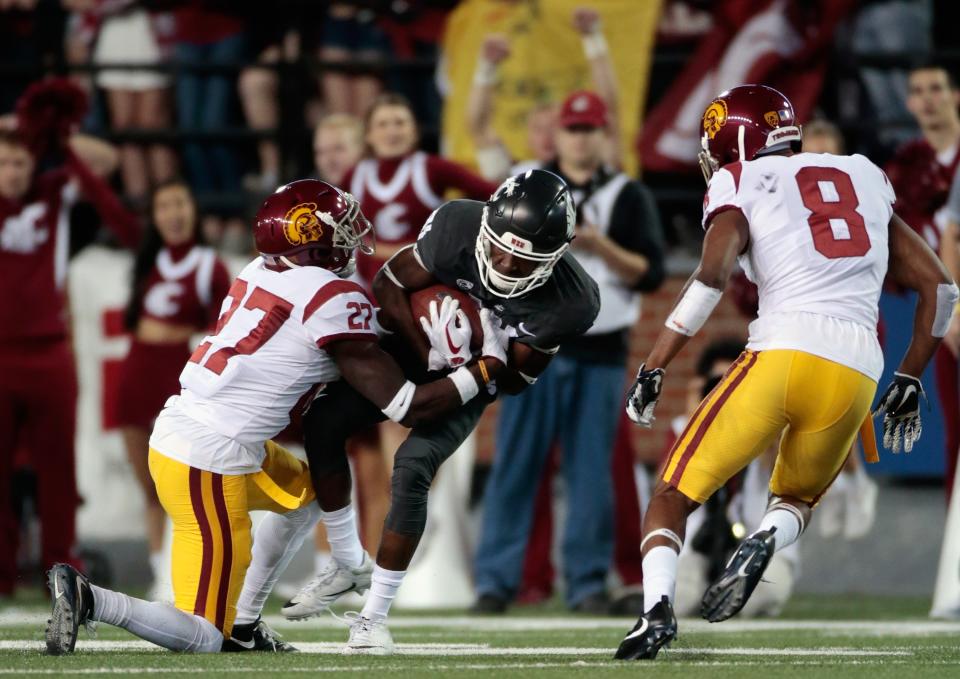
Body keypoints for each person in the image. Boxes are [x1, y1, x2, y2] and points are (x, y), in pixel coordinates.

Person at [44, 179, 511, 655]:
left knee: (305, 496)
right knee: (204, 635)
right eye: (340, 228)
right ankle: (91, 599)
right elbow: (407, 406)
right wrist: (483, 368)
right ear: (309, 239)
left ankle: (245, 624)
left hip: (200, 433)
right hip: (209, 459)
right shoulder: (331, 297)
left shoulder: (259, 270)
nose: (350, 238)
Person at [615, 84, 956, 660]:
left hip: (783, 347)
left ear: (736, 140)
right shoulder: (863, 173)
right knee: (795, 499)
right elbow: (942, 290)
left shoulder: (739, 179)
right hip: (858, 365)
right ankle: (765, 539)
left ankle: (655, 615)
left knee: (671, 494)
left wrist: (654, 365)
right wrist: (909, 377)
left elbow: (710, 277)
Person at [254, 169, 599, 654]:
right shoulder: (459, 226)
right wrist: (429, 353)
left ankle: (373, 618)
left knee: (412, 468)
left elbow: (516, 382)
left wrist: (477, 359)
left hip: (478, 375)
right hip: (413, 351)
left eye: (524, 260)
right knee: (322, 422)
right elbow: (390, 283)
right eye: (499, 247)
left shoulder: (571, 301)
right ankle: (348, 562)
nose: (504, 263)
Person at [472, 90, 664, 614]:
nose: (581, 140)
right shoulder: (530, 182)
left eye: (590, 130)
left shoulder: (627, 194)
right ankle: (496, 580)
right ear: (557, 135)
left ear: (605, 135)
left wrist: (600, 245)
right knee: (515, 465)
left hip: (600, 348)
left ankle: (586, 583)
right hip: (532, 342)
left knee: (592, 473)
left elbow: (651, 273)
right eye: (573, 129)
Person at [0, 96, 140, 597]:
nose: (12, 171)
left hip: (49, 351)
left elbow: (106, 160)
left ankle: (62, 567)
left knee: (58, 468)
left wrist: (46, 134)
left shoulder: (54, 192)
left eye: (19, 161)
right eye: (3, 162)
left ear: (33, 162)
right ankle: (3, 574)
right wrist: (12, 124)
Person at [116, 179, 231, 600]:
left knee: (178, 480)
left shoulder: (208, 265)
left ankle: (180, 572)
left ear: (194, 210)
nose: (174, 214)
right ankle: (157, 572)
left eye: (180, 203)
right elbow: (108, 206)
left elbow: (227, 328)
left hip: (178, 374)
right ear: (154, 216)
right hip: (136, 369)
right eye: (164, 206)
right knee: (148, 483)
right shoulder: (146, 257)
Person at [884, 64, 960, 502]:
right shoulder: (903, 168)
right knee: (953, 429)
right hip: (938, 314)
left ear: (954, 95)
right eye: (918, 91)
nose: (928, 98)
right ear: (909, 103)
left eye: (937, 88)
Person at [347, 92, 498, 286]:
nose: (392, 132)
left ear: (415, 131)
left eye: (400, 123)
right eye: (382, 124)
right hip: (367, 286)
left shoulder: (432, 168)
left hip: (423, 285)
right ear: (368, 134)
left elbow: (494, 194)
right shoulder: (355, 174)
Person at [466, 7, 622, 181]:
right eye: (538, 129)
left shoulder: (592, 168)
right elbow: (479, 128)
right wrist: (486, 67)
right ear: (528, 138)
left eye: (554, 127)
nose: (547, 137)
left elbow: (607, 111)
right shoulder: (515, 177)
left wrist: (593, 39)